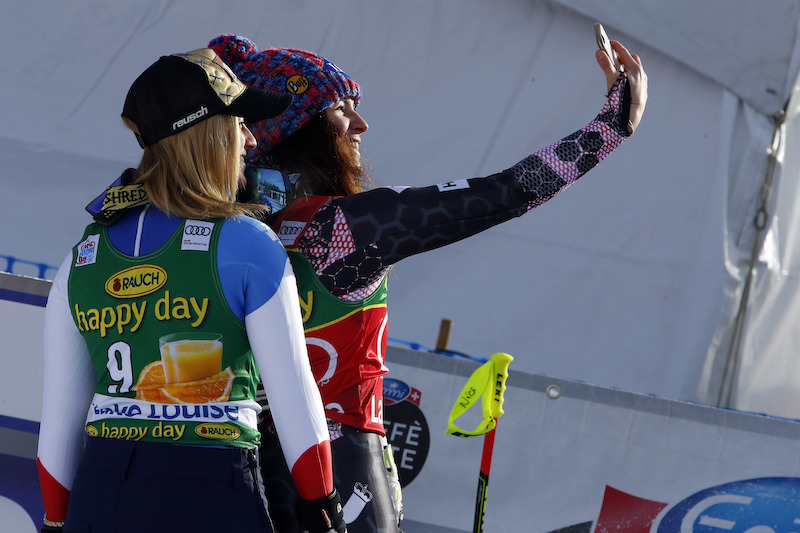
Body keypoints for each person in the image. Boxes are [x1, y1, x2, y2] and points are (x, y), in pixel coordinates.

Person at [204, 33, 648, 533]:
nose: (360, 124)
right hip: (339, 469)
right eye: (340, 108)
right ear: (297, 126)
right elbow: (500, 195)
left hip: (236, 462)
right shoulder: (345, 227)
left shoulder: (214, 223)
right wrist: (611, 128)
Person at [37, 48, 347, 533]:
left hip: (100, 494)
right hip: (207, 488)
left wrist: (57, 521)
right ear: (210, 133)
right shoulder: (247, 242)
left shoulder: (81, 255)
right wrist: (323, 509)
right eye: (240, 122)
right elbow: (295, 404)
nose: (250, 140)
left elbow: (57, 428)